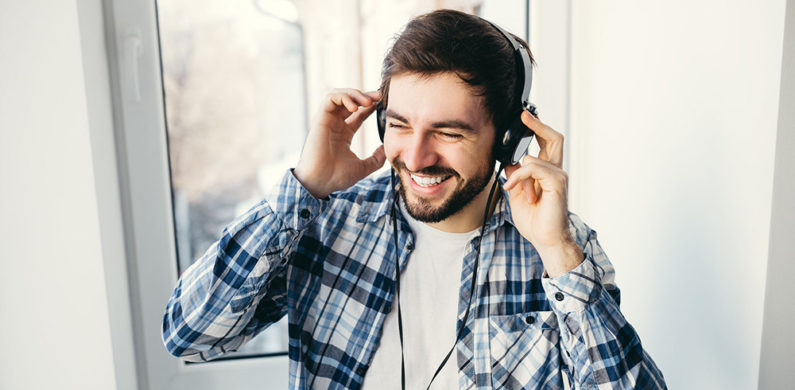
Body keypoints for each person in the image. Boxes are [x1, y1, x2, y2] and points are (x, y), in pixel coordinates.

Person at [162, 9, 666, 390]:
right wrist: (306, 187)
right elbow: (189, 336)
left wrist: (556, 252)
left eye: (448, 132)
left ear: (507, 138)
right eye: (400, 125)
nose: (417, 156)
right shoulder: (327, 220)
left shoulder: (562, 249)